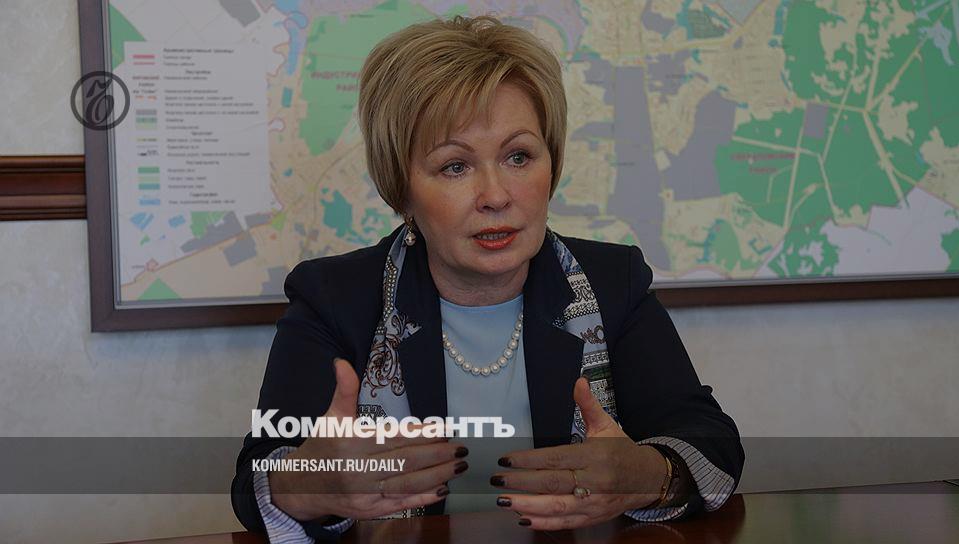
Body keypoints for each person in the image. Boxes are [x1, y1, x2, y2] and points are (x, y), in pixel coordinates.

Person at [232, 15, 743, 542]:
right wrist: (309, 482)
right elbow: (256, 480)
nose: (496, 196)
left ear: (551, 164)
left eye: (519, 157)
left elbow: (711, 442)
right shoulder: (335, 298)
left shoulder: (612, 283)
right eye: (455, 166)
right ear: (401, 188)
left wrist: (649, 476)